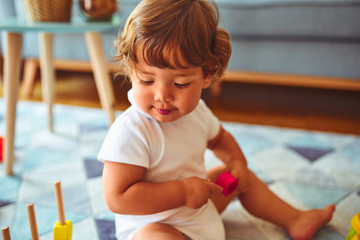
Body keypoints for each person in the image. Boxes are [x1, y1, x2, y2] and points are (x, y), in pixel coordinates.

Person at [97, 0, 335, 239]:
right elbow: (118, 198)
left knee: (238, 175)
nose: (162, 96)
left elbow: (220, 139)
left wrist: (237, 163)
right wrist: (182, 191)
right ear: (131, 69)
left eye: (180, 83)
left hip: (200, 208)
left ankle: (295, 219)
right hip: (154, 225)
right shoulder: (131, 130)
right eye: (147, 80)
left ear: (207, 74)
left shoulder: (197, 111)